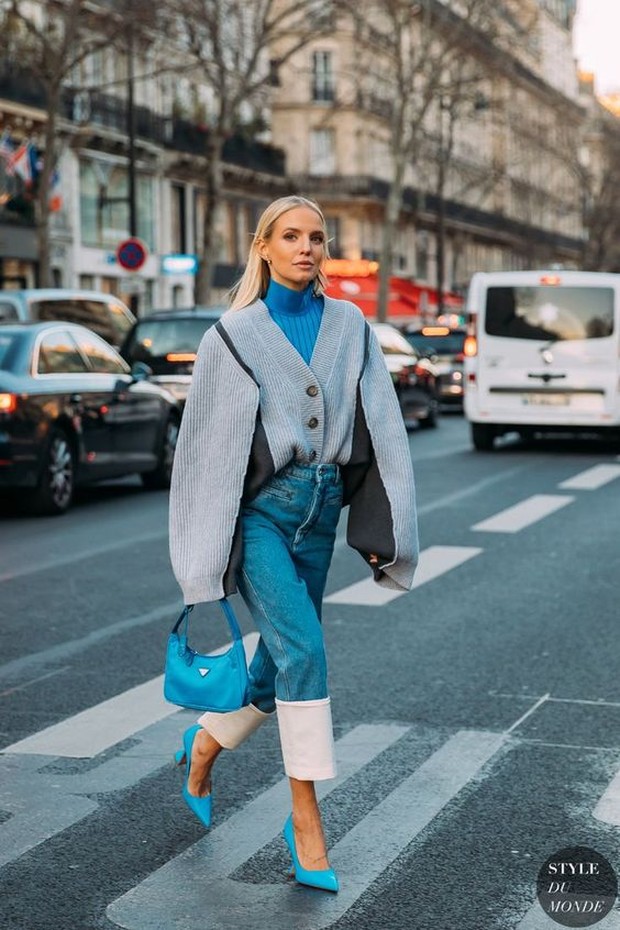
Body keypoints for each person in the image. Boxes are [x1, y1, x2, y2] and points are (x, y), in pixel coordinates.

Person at [168, 194, 418, 892]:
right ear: (264, 247)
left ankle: (207, 741)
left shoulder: (352, 325)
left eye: (316, 237)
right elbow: (207, 456)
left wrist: (381, 528)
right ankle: (305, 823)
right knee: (304, 652)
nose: (305, 247)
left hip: (322, 514)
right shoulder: (233, 335)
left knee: (277, 671)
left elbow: (382, 429)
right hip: (262, 519)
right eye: (290, 236)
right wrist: (203, 559)